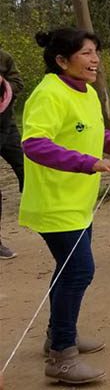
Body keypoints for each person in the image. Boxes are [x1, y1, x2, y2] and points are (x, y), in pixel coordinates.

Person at [20, 28, 110, 384]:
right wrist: (88, 163)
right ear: (61, 60)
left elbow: (90, 132)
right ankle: (61, 357)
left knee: (69, 270)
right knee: (78, 271)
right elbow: (34, 143)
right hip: (55, 203)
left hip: (79, 202)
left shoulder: (86, 92)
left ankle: (58, 336)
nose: (95, 59)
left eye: (96, 52)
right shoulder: (48, 93)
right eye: (86, 53)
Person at [0, 48, 25, 259]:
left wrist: (3, 85)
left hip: (7, 126)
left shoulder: (4, 57)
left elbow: (18, 83)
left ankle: (38, 213)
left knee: (26, 168)